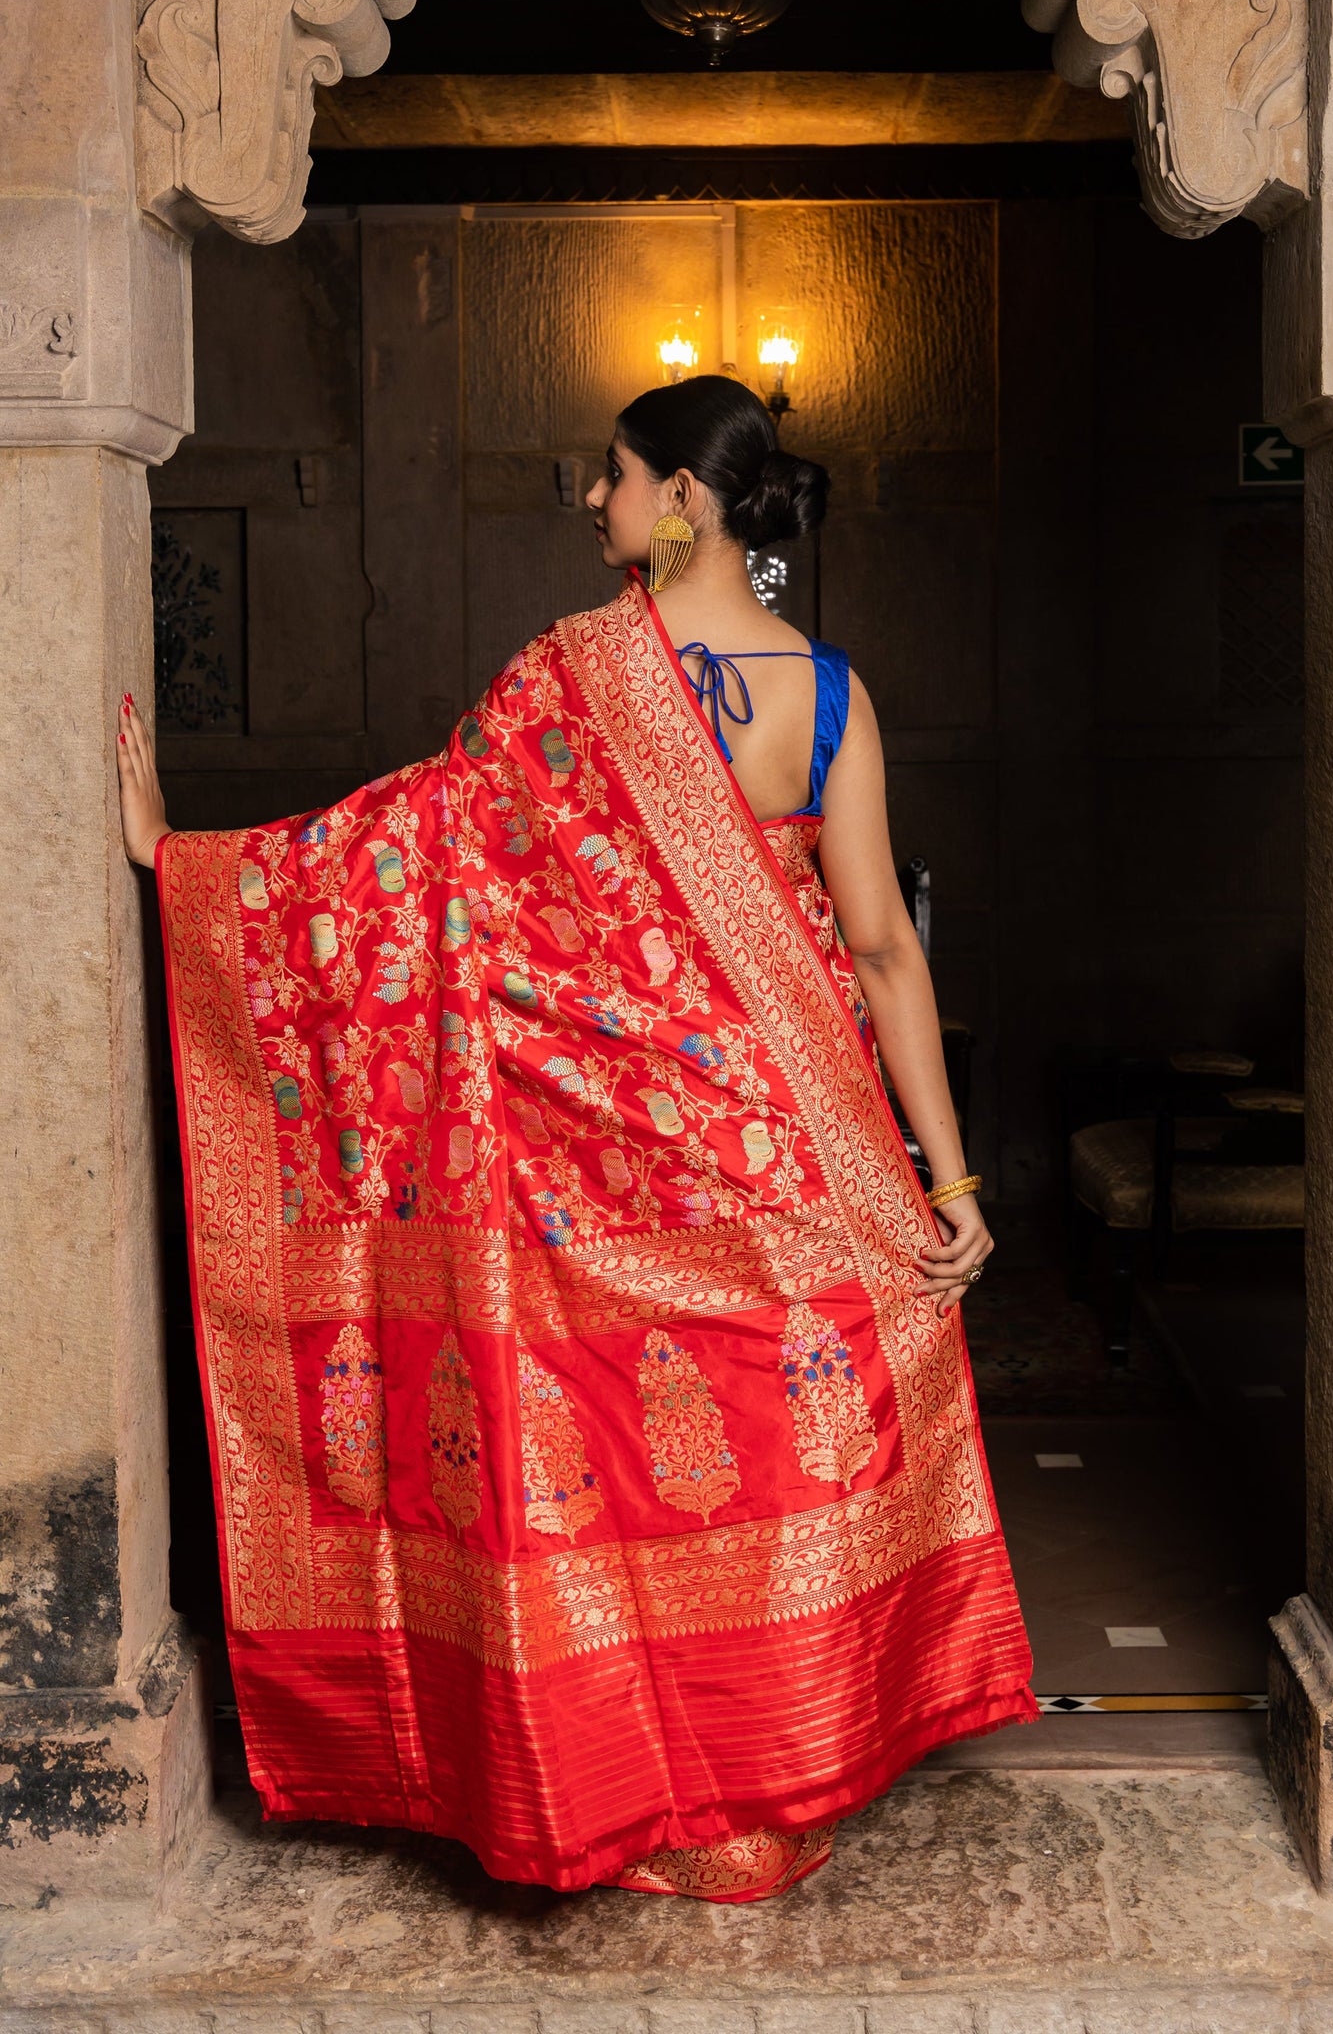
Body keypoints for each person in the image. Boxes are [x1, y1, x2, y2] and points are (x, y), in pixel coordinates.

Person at [118, 373, 1034, 1902]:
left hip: (590, 1174)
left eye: (611, 480)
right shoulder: (824, 694)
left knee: (610, 1471)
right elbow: (880, 950)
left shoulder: (572, 675)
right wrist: (944, 1179)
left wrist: (194, 872)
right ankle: (769, 1791)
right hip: (785, 1154)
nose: (594, 506)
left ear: (685, 496)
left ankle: (635, 1793)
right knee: (767, 1468)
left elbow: (412, 857)